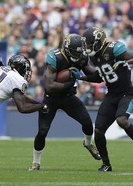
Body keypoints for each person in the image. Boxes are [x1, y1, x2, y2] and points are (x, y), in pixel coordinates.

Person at [81, 26, 133, 171]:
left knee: (122, 120)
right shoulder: (94, 57)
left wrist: (127, 62)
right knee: (99, 131)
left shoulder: (114, 48)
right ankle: (106, 164)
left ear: (97, 42)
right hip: (111, 95)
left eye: (89, 43)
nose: (87, 47)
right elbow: (99, 77)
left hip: (127, 94)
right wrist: (81, 77)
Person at [29, 34, 101, 171]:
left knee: (87, 123)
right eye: (75, 51)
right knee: (43, 131)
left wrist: (83, 76)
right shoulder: (55, 56)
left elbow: (97, 77)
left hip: (69, 97)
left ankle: (88, 143)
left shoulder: (82, 56)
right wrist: (69, 82)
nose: (78, 54)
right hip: (51, 97)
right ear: (67, 49)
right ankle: (36, 161)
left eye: (80, 51)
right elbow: (49, 85)